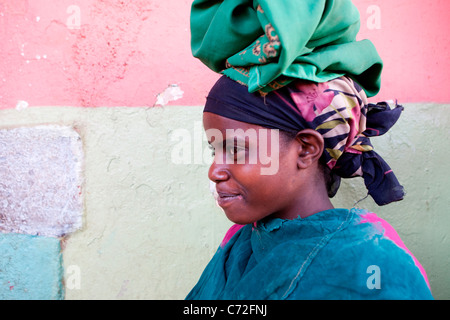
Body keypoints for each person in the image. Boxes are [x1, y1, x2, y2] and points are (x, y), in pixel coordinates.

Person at [186, 0, 433, 300]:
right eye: (214, 150)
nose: (215, 170)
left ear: (306, 150)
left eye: (236, 150)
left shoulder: (372, 267)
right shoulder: (243, 243)